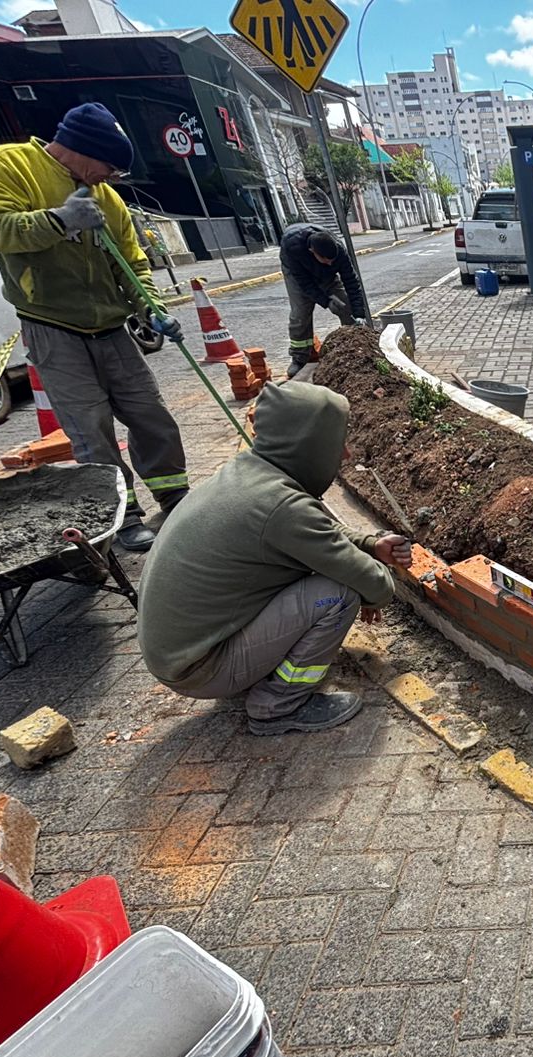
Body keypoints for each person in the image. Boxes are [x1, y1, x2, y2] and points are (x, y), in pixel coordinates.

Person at [137, 380, 413, 735]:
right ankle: (278, 706)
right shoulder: (281, 507)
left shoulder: (248, 475)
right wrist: (369, 586)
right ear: (308, 444)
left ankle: (259, 671)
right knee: (338, 594)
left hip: (180, 654)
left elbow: (312, 532)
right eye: (336, 442)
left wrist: (370, 544)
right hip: (200, 669)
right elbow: (375, 583)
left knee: (317, 575)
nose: (344, 454)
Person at [0, 103, 188, 553]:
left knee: (150, 414)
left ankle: (175, 494)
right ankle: (122, 515)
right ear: (85, 152)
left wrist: (150, 307)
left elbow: (131, 261)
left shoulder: (109, 201)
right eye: (109, 166)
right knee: (90, 427)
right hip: (53, 326)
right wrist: (60, 220)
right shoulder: (7, 165)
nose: (110, 177)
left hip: (110, 328)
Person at [280, 223, 367, 376]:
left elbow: (351, 282)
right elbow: (306, 285)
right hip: (297, 276)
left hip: (326, 275)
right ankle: (299, 357)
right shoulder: (293, 248)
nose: (331, 263)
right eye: (326, 260)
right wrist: (326, 301)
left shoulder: (338, 251)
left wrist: (359, 314)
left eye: (332, 260)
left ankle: (355, 347)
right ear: (312, 251)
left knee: (345, 304)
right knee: (300, 313)